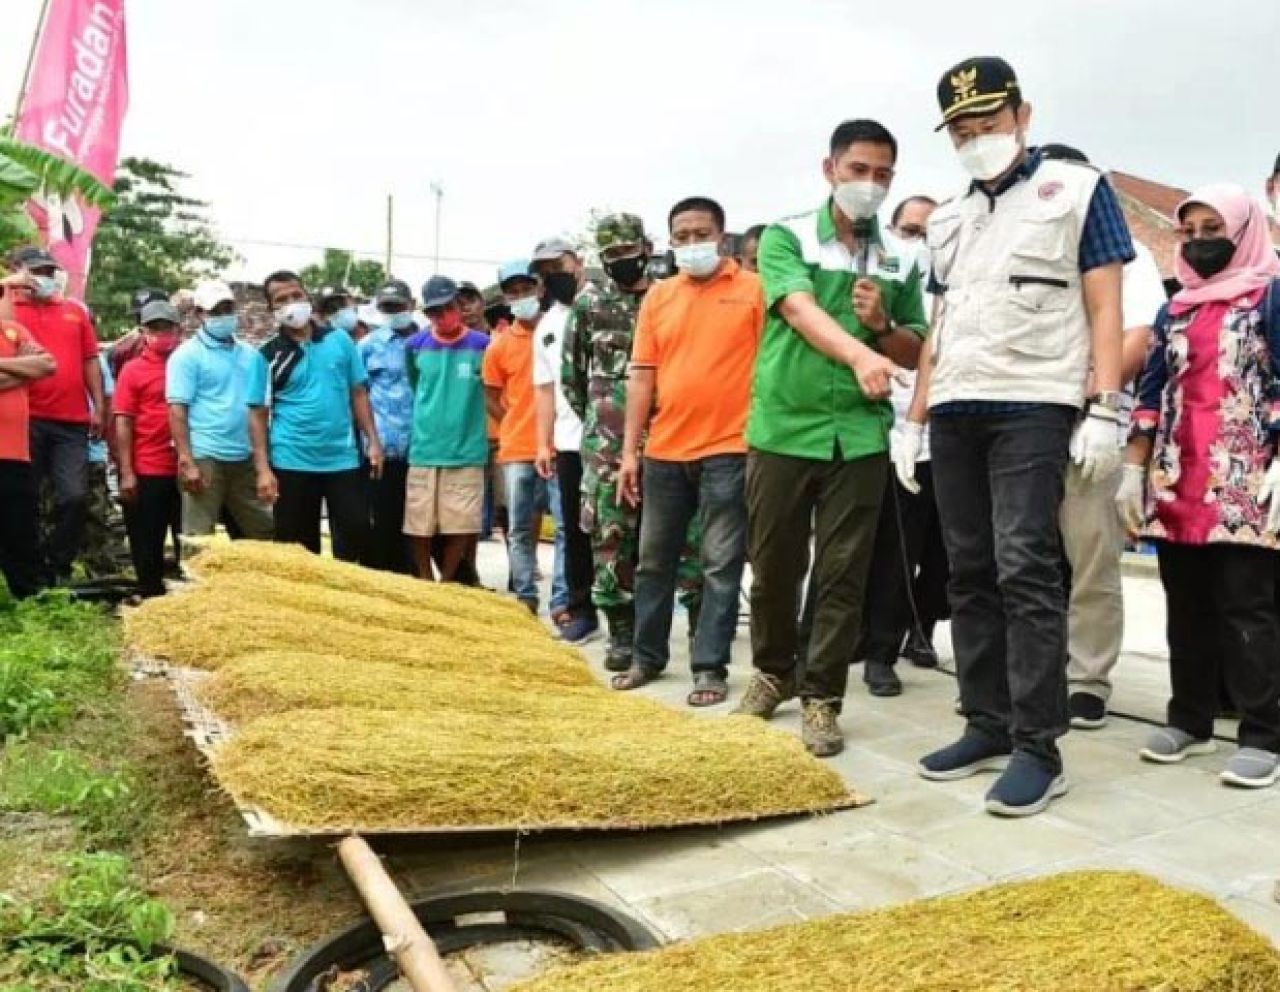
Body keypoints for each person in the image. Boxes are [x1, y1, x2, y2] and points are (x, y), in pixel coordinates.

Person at [900, 57, 1133, 816]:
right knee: (968, 568)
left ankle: (1040, 744)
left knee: (1025, 564)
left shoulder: (1078, 191)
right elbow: (941, 322)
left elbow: (1105, 306)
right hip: (959, 409)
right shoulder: (947, 217)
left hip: (1034, 401)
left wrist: (1105, 405)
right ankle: (986, 721)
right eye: (962, 131)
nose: (977, 140)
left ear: (1023, 116)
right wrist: (915, 418)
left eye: (989, 124)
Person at [735, 121, 926, 753]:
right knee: (774, 567)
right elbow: (797, 308)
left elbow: (915, 347)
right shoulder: (786, 236)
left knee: (843, 574)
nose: (870, 185)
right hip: (786, 427)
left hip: (861, 437)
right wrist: (859, 353)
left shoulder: (901, 253)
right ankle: (771, 672)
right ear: (829, 169)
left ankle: (822, 697)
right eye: (858, 170)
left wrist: (883, 323)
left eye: (882, 175)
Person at [1117, 184, 1280, 789]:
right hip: (1178, 478)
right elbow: (1152, 390)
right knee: (1184, 604)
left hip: (1246, 480)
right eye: (1190, 232)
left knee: (1247, 606)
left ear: (1243, 231)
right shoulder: (1175, 307)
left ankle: (1264, 731)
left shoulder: (1271, 296)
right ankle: (1189, 718)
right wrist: (1135, 469)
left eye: (1214, 229)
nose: (1200, 242)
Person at [1036, 144, 1168, 730]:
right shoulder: (1029, 242)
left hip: (1092, 418)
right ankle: (1030, 672)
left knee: (1092, 556)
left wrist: (1098, 400)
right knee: (1022, 557)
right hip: (1027, 419)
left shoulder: (1129, 251)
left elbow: (1138, 334)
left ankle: (1086, 678)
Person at [615, 197, 763, 707]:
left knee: (721, 564)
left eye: (703, 233)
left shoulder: (753, 291)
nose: (692, 242)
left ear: (722, 238)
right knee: (654, 561)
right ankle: (646, 657)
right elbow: (641, 375)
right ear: (671, 240)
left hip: (731, 447)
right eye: (682, 235)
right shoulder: (659, 297)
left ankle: (709, 668)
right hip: (665, 451)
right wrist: (631, 451)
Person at [562, 212, 705, 672]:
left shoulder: (673, 292)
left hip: (674, 433)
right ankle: (622, 636)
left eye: (628, 251)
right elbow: (573, 377)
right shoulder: (590, 302)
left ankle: (701, 636)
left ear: (645, 246)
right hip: (608, 443)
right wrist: (607, 416)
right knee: (611, 537)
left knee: (690, 539)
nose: (622, 261)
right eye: (611, 256)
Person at [856, 193, 948, 696]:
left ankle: (882, 652)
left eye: (930, 234)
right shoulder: (875, 280)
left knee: (903, 550)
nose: (920, 243)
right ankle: (850, 636)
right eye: (911, 231)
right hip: (866, 432)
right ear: (892, 232)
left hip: (925, 443)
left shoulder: (950, 284)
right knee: (852, 548)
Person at [248, 270, 382, 562]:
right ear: (272, 309)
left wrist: (373, 441)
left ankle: (350, 603)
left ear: (307, 297)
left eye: (296, 295)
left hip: (342, 458)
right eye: (281, 300)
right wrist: (263, 470)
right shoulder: (268, 355)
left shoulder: (340, 341)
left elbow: (358, 392)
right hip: (291, 460)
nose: (291, 303)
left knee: (356, 533)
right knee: (298, 550)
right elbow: (258, 414)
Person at [7, 246, 106, 585]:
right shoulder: (8, 311)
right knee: (26, 498)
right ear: (19, 271)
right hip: (26, 419)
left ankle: (57, 562)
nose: (45, 279)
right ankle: (32, 572)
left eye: (50, 272)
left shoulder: (74, 311)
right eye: (37, 272)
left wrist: (98, 406)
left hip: (72, 420)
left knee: (74, 496)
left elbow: (90, 360)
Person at [484, 260, 566, 614]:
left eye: (526, 289)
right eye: (513, 292)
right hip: (517, 447)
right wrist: (514, 420)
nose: (521, 297)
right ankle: (526, 595)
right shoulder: (499, 345)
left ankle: (562, 597)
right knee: (519, 525)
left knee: (565, 526)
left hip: (560, 443)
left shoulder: (560, 327)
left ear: (541, 288)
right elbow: (490, 393)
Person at [167, 279, 274, 542]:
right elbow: (177, 410)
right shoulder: (187, 355)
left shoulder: (251, 355)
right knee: (198, 537)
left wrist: (263, 464)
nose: (224, 316)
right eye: (216, 311)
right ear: (200, 314)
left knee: (264, 532)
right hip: (206, 456)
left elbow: (261, 409)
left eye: (228, 308)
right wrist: (186, 459)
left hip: (245, 454)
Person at [532, 237, 598, 643]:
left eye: (559, 265)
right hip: (570, 439)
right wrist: (544, 443)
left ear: (578, 262)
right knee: (574, 530)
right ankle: (581, 608)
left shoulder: (608, 305)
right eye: (545, 271)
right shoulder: (547, 325)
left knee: (624, 530)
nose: (553, 276)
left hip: (614, 438)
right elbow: (544, 389)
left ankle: (633, 614)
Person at [403, 276, 490, 581]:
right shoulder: (414, 346)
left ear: (458, 305)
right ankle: (426, 578)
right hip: (425, 447)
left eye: (448, 308)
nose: (443, 316)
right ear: (426, 314)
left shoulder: (483, 345)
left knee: (462, 522)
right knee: (419, 521)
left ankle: (449, 579)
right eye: (434, 312)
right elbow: (417, 385)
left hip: (467, 448)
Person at [114, 302, 183, 598]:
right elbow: (123, 422)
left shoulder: (188, 363)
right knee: (146, 541)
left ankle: (190, 596)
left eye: (167, 327)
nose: (162, 334)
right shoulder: (133, 370)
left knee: (189, 539)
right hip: (148, 467)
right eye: (155, 328)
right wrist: (127, 472)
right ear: (143, 332)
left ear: (178, 330)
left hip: (186, 467)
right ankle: (150, 596)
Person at [0, 270, 56, 599]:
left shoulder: (15, 332)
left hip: (14, 452)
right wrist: (21, 371)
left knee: (20, 528)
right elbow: (33, 369)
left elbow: (47, 365)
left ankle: (29, 596)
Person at [357, 279, 418, 574]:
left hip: (422, 450)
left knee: (419, 524)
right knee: (383, 521)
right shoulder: (368, 346)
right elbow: (357, 395)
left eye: (398, 306)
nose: (393, 312)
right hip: (381, 452)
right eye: (387, 307)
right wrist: (370, 442)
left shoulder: (428, 342)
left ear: (412, 305)